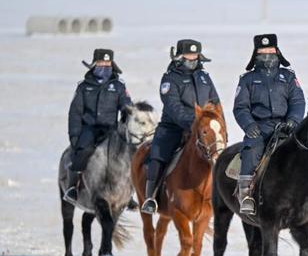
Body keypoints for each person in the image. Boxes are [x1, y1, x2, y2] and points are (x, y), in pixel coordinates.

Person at [141, 39, 220, 214]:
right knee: (158, 156)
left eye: (195, 55)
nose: (192, 58)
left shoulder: (204, 77)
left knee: (217, 152)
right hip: (174, 127)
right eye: (188, 55)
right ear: (179, 56)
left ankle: (219, 195)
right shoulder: (169, 79)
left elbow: (215, 102)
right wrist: (194, 122)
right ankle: (151, 198)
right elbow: (173, 107)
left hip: (202, 128)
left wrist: (217, 123)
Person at [233, 34, 306, 215]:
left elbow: (298, 102)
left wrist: (293, 120)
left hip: (286, 126)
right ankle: (246, 194)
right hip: (259, 127)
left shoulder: (288, 77)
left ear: (277, 51)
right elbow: (240, 107)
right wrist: (249, 125)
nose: (267, 54)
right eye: (262, 51)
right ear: (256, 53)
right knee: (251, 150)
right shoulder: (247, 79)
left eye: (270, 50)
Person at [64, 49, 132, 204]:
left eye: (108, 63)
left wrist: (126, 119)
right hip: (90, 129)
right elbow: (75, 112)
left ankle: (129, 194)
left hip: (111, 130)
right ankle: (73, 187)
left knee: (127, 155)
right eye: (101, 63)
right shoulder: (83, 87)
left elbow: (127, 106)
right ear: (94, 64)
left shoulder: (119, 86)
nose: (104, 66)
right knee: (82, 150)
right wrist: (74, 136)